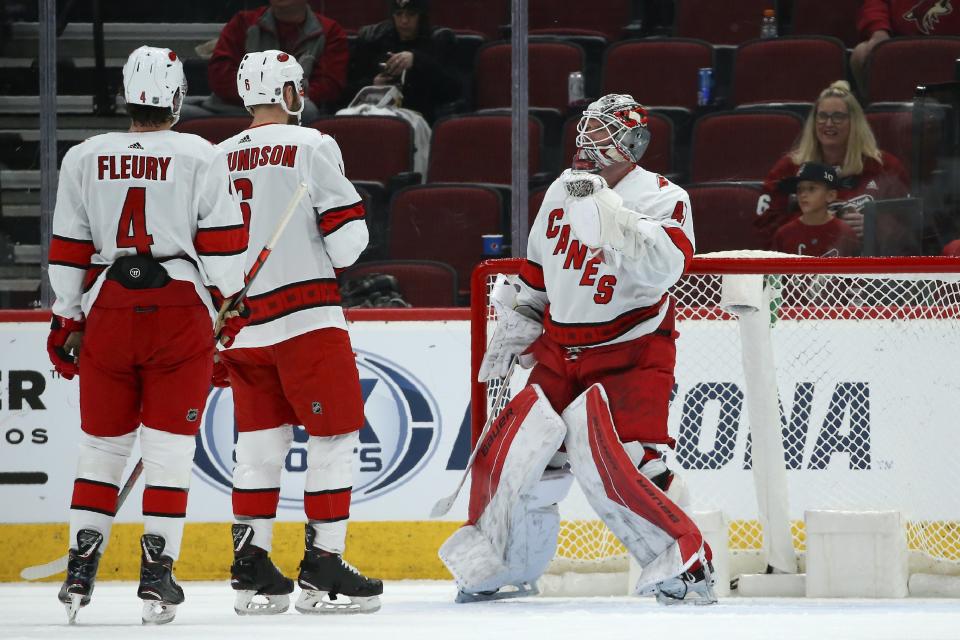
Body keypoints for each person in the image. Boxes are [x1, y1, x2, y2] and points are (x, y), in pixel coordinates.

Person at [439, 94, 716, 605]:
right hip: (559, 350)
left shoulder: (661, 196)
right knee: (525, 461)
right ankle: (509, 568)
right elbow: (538, 272)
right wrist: (517, 327)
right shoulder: (560, 193)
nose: (590, 143)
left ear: (632, 143)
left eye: (606, 134)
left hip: (631, 351)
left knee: (637, 464)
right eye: (587, 130)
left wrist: (611, 216)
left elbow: (668, 268)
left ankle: (687, 566)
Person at [49, 46, 249, 624]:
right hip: (177, 308)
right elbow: (225, 249)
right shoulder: (200, 155)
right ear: (177, 96)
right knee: (168, 453)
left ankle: (79, 570)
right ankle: (156, 578)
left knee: (101, 449)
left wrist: (67, 316)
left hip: (109, 305)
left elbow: (69, 248)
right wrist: (226, 296)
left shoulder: (84, 156)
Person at [216, 50, 382, 616]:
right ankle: (323, 565)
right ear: (289, 92)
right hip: (307, 321)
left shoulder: (217, 157)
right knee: (335, 439)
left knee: (258, 447)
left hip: (243, 328)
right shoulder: (312, 145)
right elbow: (347, 244)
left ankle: (252, 569)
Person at [755, 80, 909, 248]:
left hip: (866, 267)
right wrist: (816, 222)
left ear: (855, 122)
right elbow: (765, 227)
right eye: (822, 116)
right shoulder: (788, 168)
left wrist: (873, 227)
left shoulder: (884, 167)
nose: (828, 124)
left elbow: (909, 226)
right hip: (804, 265)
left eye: (838, 117)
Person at [203, 0, 348, 122]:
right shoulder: (242, 23)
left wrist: (274, 98)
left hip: (292, 109)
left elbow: (328, 86)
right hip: (236, 107)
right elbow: (220, 77)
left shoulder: (330, 32)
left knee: (307, 110)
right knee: (184, 112)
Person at [347, 0, 461, 123]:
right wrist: (373, 84)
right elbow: (345, 91)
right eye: (399, 14)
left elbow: (453, 90)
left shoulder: (439, 41)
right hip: (375, 113)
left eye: (411, 14)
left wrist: (416, 60)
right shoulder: (374, 40)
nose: (404, 21)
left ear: (421, 16)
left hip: (418, 117)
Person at [851, 0, 960, 89]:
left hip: (953, 49)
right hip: (897, 44)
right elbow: (875, 4)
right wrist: (878, 31)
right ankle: (874, 111)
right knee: (861, 53)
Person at [772, 163, 861, 256]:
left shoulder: (845, 233)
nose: (803, 195)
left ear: (830, 195)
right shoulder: (784, 235)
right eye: (799, 190)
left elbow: (855, 269)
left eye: (811, 188)